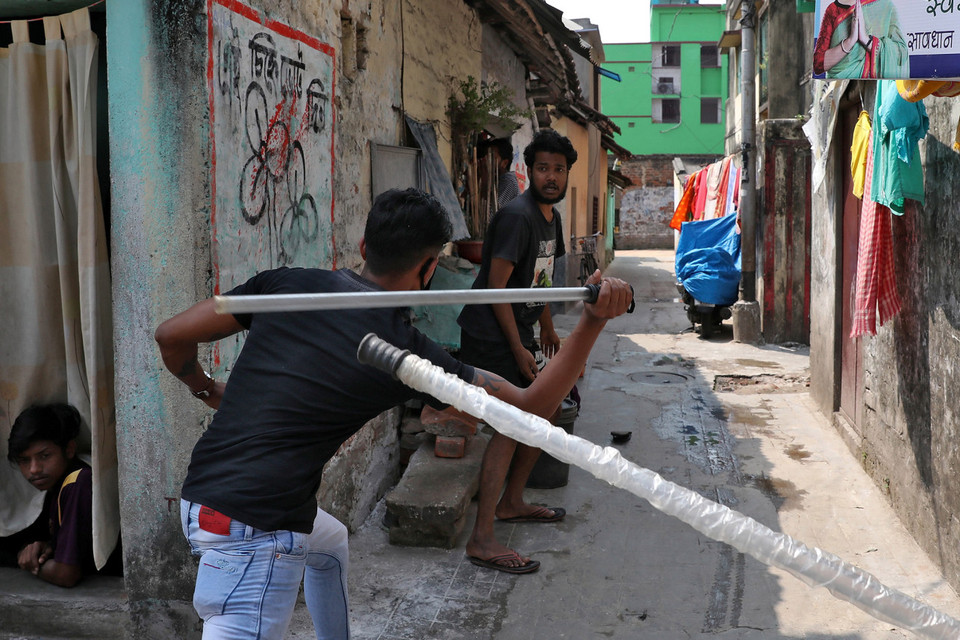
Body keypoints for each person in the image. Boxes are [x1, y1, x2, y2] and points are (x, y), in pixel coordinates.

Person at [155, 188, 632, 639]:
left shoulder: (287, 284)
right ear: (429, 268)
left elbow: (171, 335)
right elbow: (530, 410)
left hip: (204, 491)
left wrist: (205, 388)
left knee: (330, 542)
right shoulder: (404, 355)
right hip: (255, 531)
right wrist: (592, 323)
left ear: (365, 245)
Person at [457, 129, 579, 574]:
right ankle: (482, 538)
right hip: (491, 334)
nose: (551, 177)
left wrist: (545, 326)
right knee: (511, 425)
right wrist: (518, 346)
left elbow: (539, 279)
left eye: (559, 169)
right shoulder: (516, 217)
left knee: (545, 413)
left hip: (520, 330)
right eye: (543, 168)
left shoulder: (551, 219)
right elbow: (497, 288)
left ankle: (511, 502)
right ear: (530, 171)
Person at [5, 404, 115, 587]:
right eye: (24, 460)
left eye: (45, 456)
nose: (34, 469)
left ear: (69, 449)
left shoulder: (78, 482)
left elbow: (66, 574)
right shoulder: (55, 486)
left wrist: (30, 563)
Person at [812, 0, 907, 80]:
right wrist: (850, 41)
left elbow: (901, 54)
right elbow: (818, 64)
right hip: (841, 87)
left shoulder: (886, 6)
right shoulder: (833, 10)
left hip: (875, 85)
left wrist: (867, 41)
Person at [486, 137, 520, 210]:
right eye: (487, 156)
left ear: (504, 163)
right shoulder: (497, 179)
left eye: (492, 157)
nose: (487, 160)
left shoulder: (508, 181)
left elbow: (492, 213)